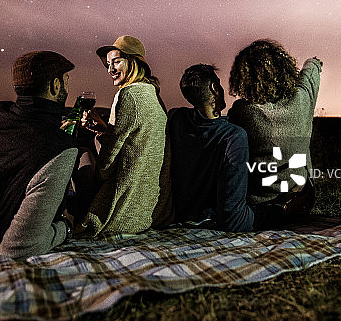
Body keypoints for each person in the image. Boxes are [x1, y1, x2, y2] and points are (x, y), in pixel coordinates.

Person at [0, 51, 78, 258]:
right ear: (55, 85)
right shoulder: (60, 148)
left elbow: (15, 156)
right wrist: (65, 228)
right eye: (66, 80)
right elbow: (18, 247)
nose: (68, 86)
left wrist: (53, 131)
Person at [82, 36, 173, 236]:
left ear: (133, 62)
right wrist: (104, 130)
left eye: (116, 62)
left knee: (80, 154)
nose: (110, 69)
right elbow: (137, 144)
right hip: (153, 206)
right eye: (108, 64)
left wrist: (100, 141)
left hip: (126, 209)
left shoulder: (127, 95)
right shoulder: (153, 94)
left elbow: (105, 168)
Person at [228, 40, 322, 220]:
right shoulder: (302, 98)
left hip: (260, 203)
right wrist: (314, 62)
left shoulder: (242, 111)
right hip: (301, 199)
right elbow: (310, 74)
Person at [168, 64, 256, 231]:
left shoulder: (175, 118)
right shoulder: (233, 136)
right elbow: (233, 218)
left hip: (179, 217)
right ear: (215, 88)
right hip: (209, 221)